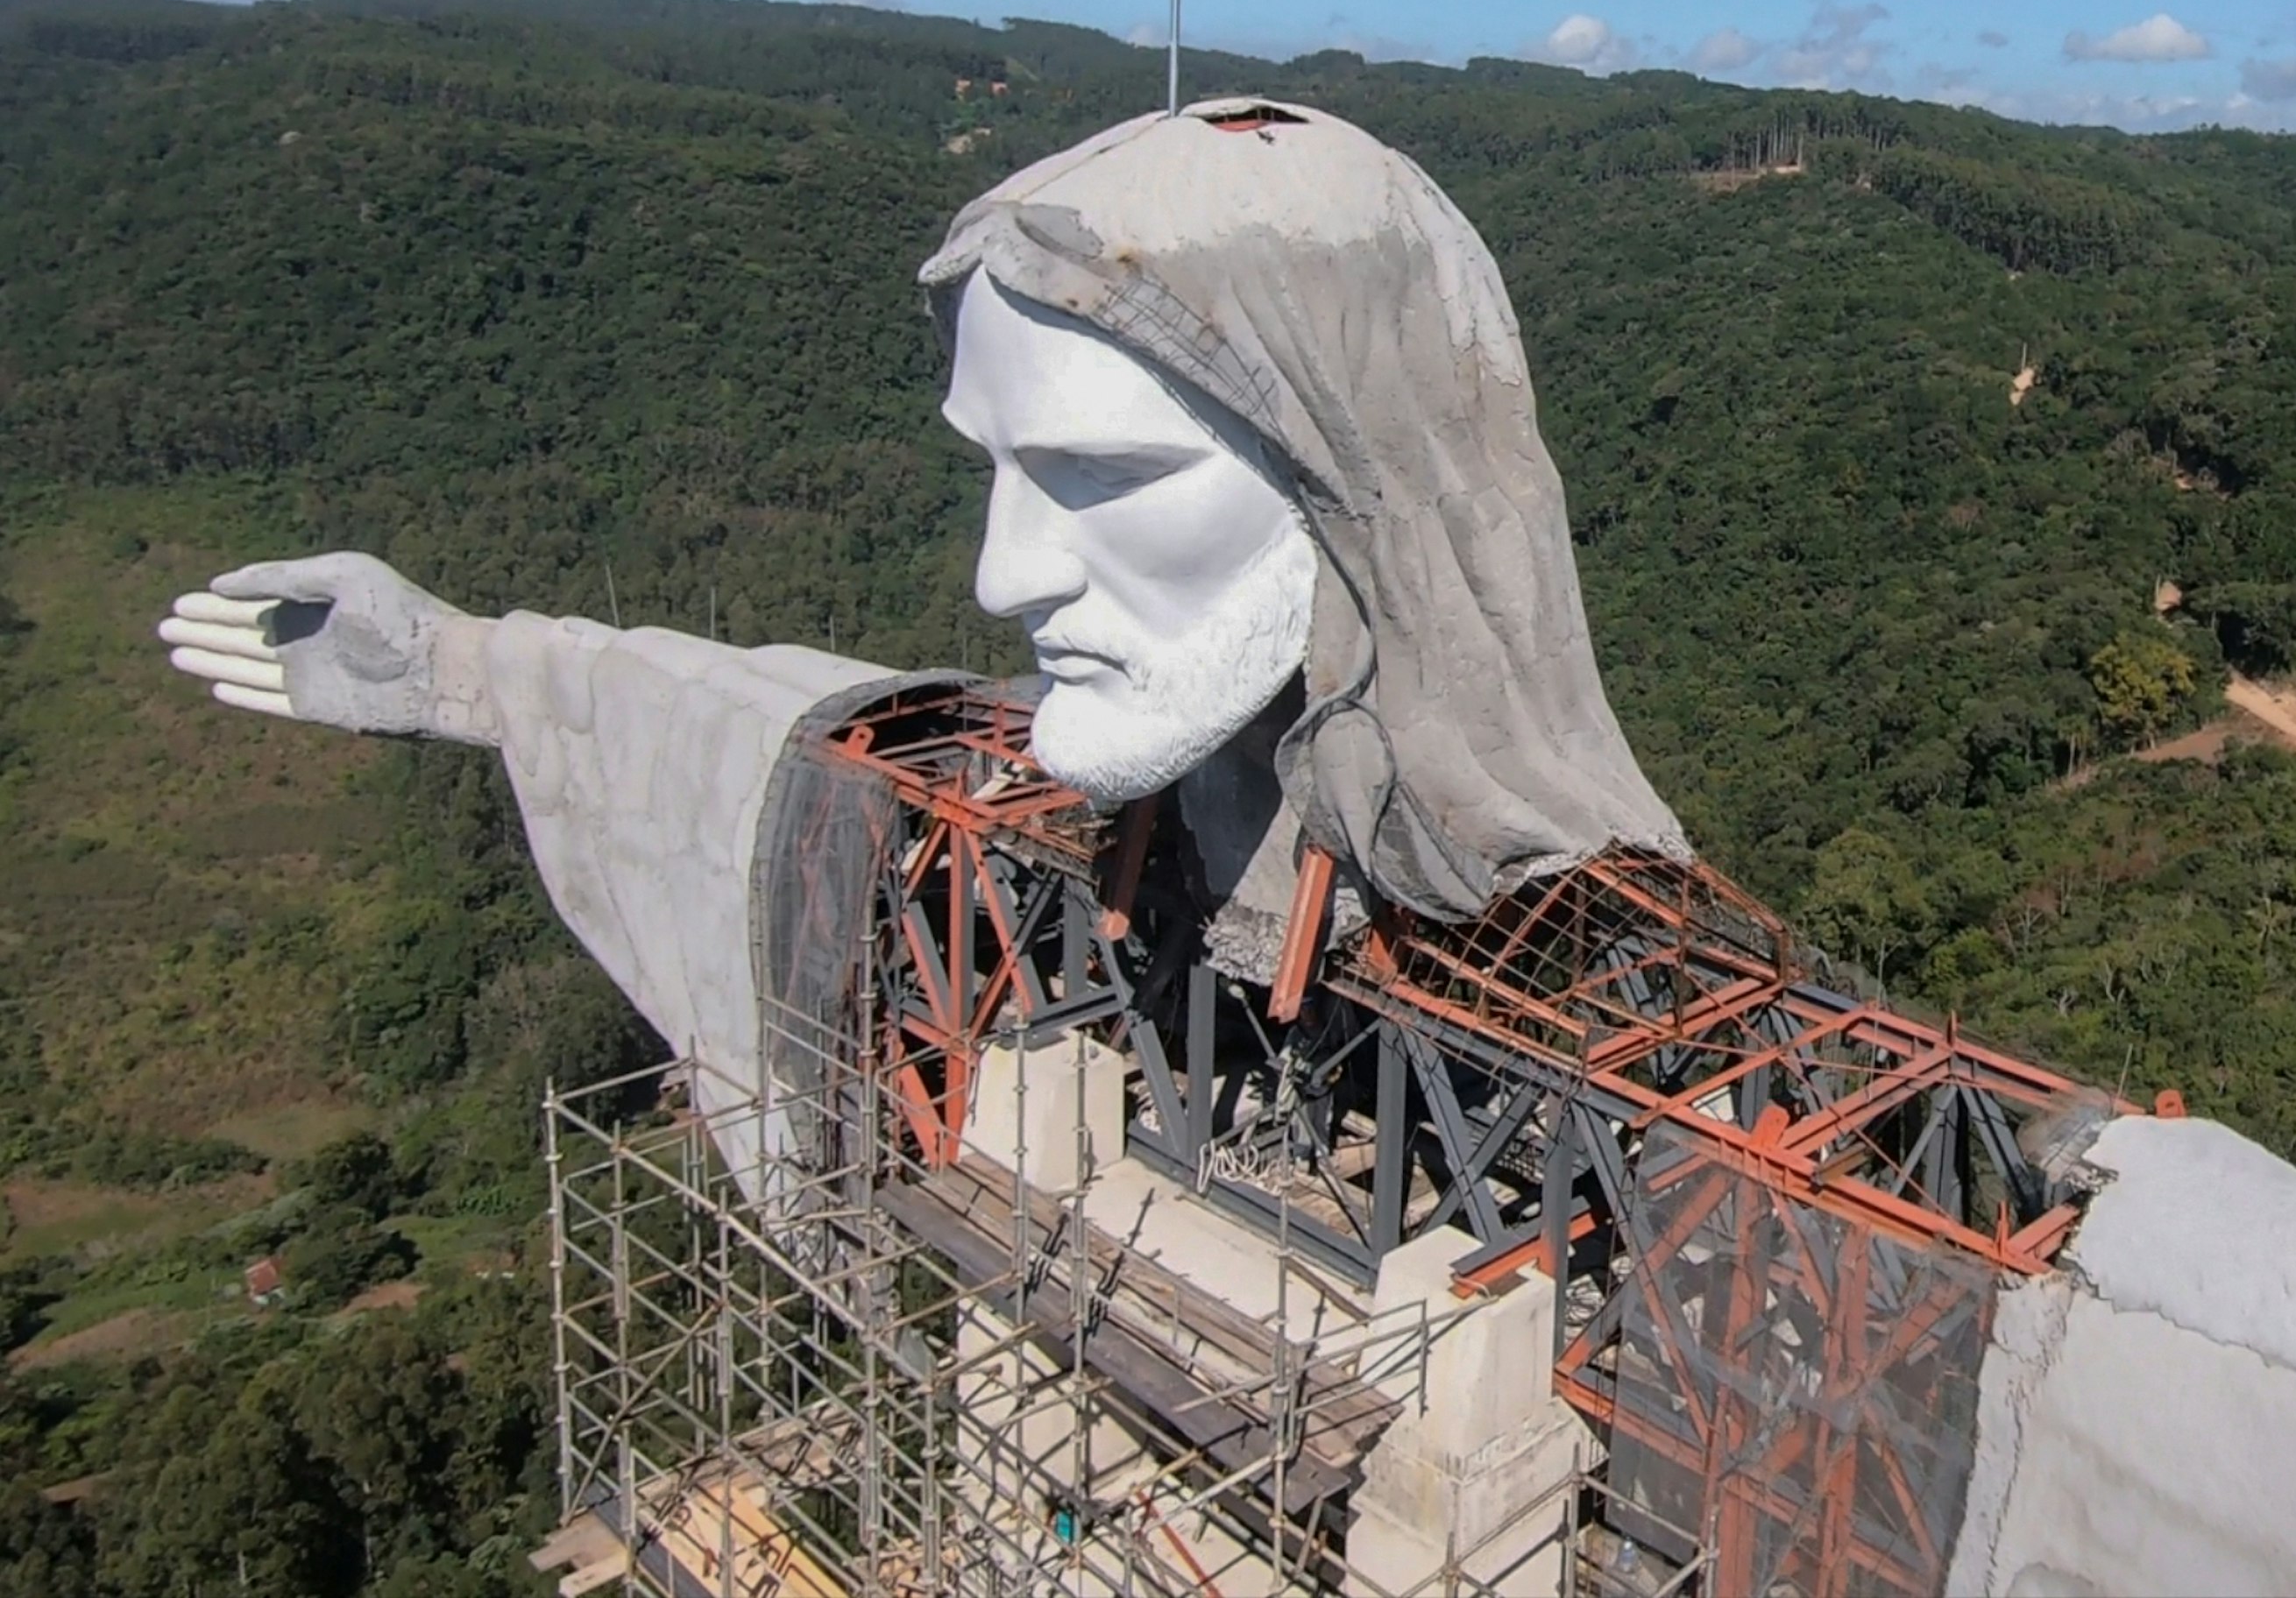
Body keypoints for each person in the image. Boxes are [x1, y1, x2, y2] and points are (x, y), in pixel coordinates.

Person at [158, 98, 1689, 1177]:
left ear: (1371, 503)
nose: (1003, 572)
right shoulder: (1089, 829)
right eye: (998, 469)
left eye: (1103, 477)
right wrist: (459, 668)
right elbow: (803, 737)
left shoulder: (1643, 1049)